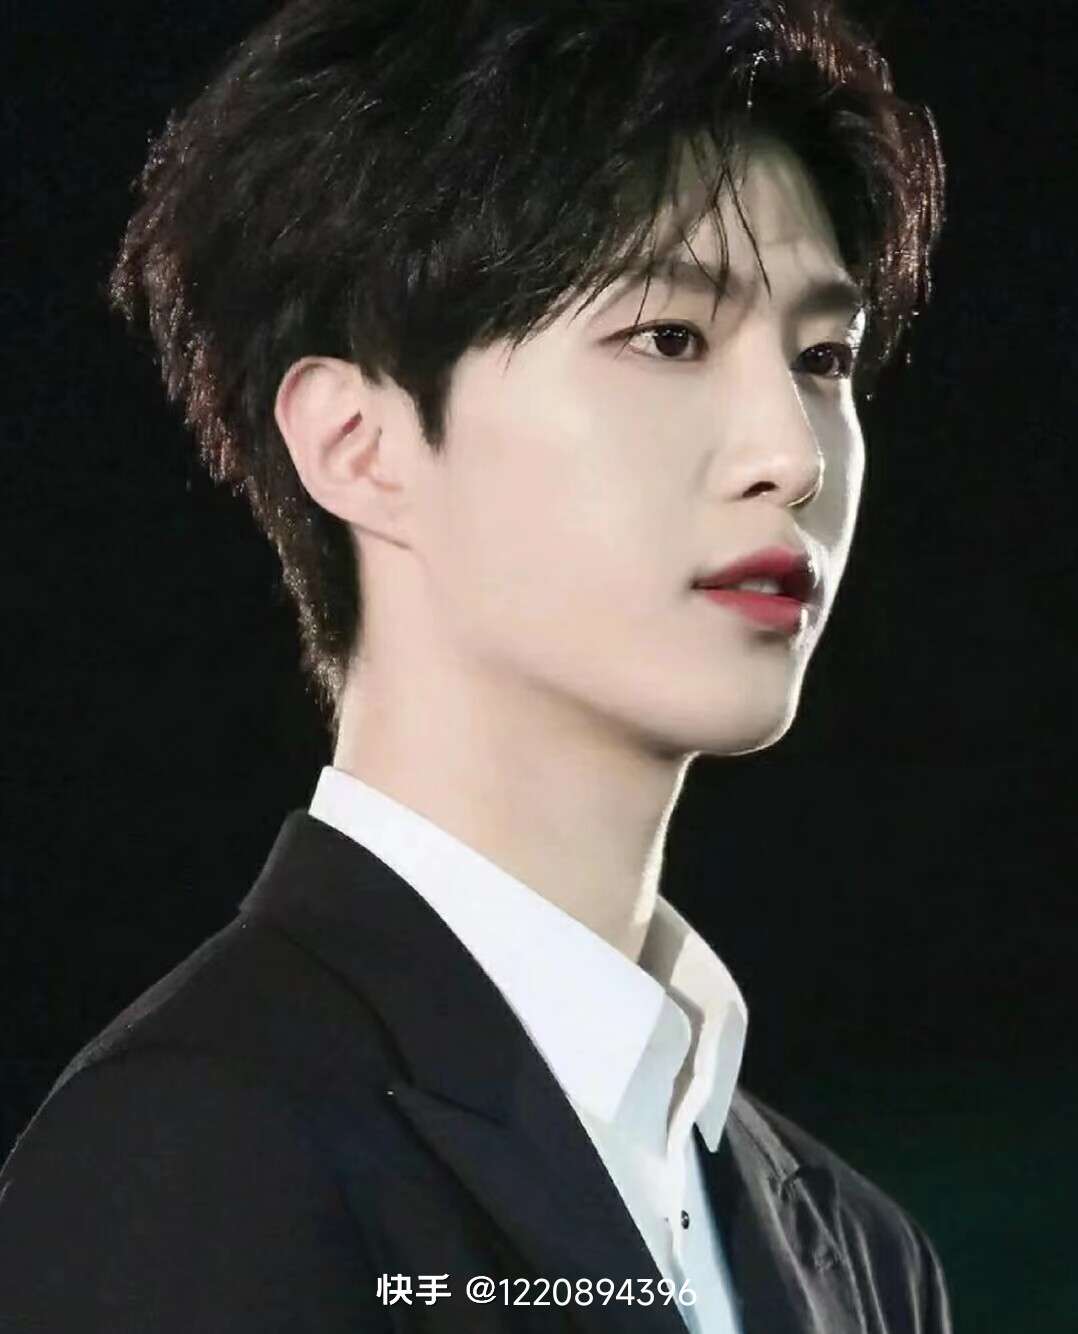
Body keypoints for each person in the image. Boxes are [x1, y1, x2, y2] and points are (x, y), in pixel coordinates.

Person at [0, 1, 949, 1330]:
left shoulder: (864, 1255)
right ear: (359, 443)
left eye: (822, 357)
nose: (790, 454)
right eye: (669, 337)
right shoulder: (191, 1154)